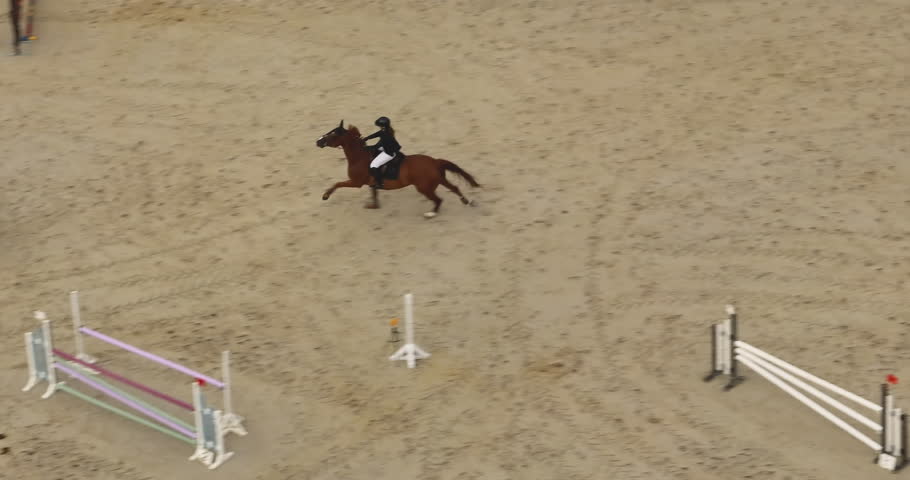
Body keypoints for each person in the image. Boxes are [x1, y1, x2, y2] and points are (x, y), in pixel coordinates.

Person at [362, 116, 401, 189]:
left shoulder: (386, 136)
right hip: (386, 147)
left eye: (379, 126)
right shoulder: (385, 130)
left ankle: (380, 183)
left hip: (388, 153)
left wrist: (366, 148)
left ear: (383, 126)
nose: (379, 127)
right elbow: (377, 134)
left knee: (373, 165)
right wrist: (366, 138)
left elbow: (377, 146)